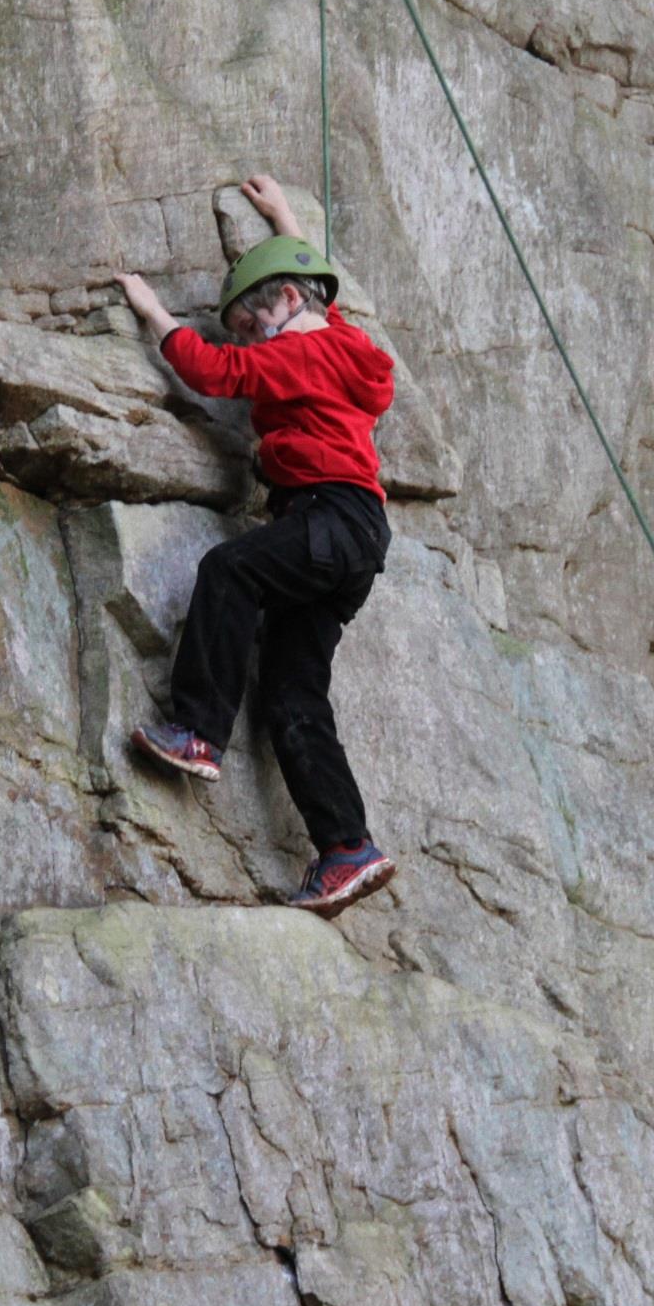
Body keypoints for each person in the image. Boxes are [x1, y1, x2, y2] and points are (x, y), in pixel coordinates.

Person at [112, 175, 398, 919]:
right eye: (237, 327)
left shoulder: (291, 355)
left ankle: (199, 732)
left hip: (325, 516)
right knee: (292, 696)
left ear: (291, 304)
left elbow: (214, 371)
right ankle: (346, 849)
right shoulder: (344, 346)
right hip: (353, 542)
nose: (247, 337)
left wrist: (153, 313)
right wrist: (282, 218)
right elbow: (312, 287)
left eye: (252, 319)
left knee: (229, 569)